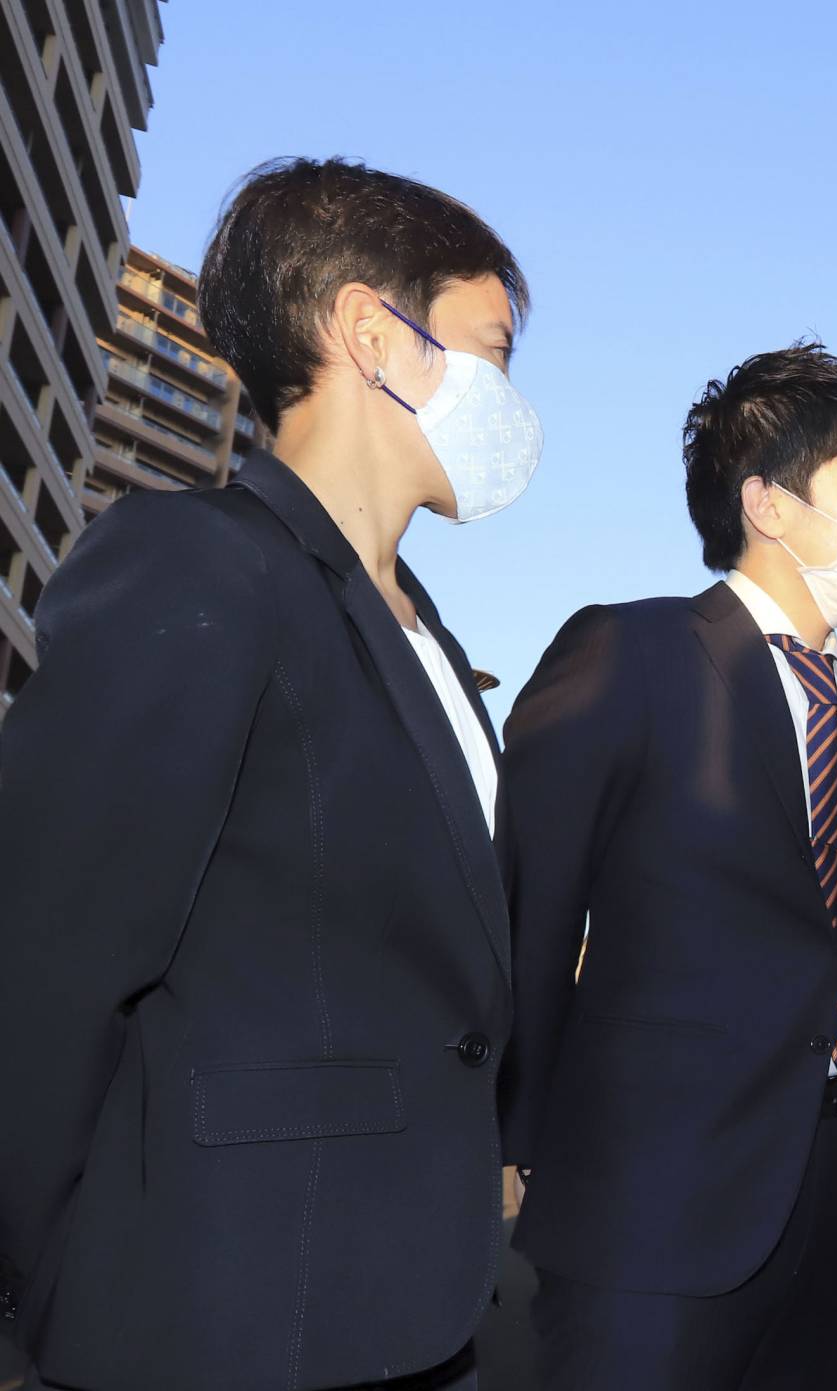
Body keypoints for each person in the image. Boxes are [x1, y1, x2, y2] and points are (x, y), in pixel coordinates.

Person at [0, 157, 536, 1390]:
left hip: (413, 1315)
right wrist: (51, 1283)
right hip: (214, 1316)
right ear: (371, 333)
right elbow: (45, 963)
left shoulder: (433, 642)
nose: (510, 396)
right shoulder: (197, 566)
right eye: (489, 345)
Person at [498, 344, 837, 1388]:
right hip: (649, 1192)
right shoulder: (629, 654)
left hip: (821, 1198)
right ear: (768, 502)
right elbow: (530, 907)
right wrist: (514, 1133)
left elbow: (832, 947)